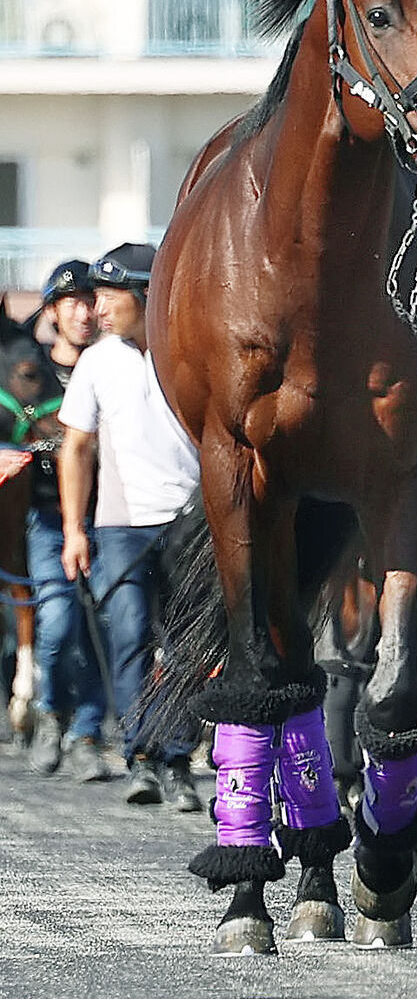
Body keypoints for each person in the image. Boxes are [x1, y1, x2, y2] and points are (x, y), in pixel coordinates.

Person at [58, 243, 203, 812]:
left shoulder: (186, 350)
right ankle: (141, 756)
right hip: (119, 526)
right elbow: (77, 448)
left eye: (108, 294)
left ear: (146, 295)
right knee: (129, 639)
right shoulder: (97, 360)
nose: (96, 307)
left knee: (188, 647)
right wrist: (74, 529)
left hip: (190, 522)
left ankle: (179, 759)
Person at [27, 261, 109, 781]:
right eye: (73, 302)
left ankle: (87, 732)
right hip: (47, 519)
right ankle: (50, 712)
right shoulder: (28, 369)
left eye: (90, 300)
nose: (85, 311)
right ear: (53, 312)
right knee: (56, 624)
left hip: (107, 517)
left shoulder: (114, 363)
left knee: (101, 627)